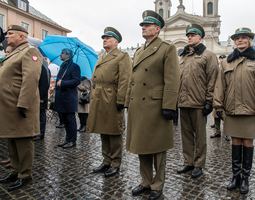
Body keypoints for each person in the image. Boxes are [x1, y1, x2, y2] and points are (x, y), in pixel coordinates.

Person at [125, 10, 180, 200]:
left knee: (158, 148)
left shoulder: (167, 48)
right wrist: (127, 101)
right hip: (138, 106)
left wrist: (169, 105)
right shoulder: (139, 51)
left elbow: (172, 79)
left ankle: (157, 183)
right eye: (142, 25)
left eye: (147, 25)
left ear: (157, 29)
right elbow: (132, 79)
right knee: (141, 146)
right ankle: (145, 181)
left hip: (156, 106)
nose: (143, 27)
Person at [213, 27, 255, 194]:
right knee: (235, 142)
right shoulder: (226, 62)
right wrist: (218, 105)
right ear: (234, 41)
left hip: (250, 110)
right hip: (232, 110)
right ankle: (235, 176)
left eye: (244, 38)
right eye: (237, 38)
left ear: (249, 40)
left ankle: (245, 178)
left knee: (248, 143)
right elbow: (220, 85)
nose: (240, 40)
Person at [0, 25, 43, 191]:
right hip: (9, 105)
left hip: (19, 104)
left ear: (22, 36)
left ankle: (25, 175)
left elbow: (30, 79)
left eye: (10, 34)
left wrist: (23, 104)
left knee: (23, 141)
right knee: (12, 139)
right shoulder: (14, 52)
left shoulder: (30, 52)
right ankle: (15, 171)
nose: (7, 36)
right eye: (7, 33)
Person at [86, 27, 132, 177]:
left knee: (113, 131)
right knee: (102, 130)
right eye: (103, 38)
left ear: (116, 41)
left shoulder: (122, 56)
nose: (104, 40)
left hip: (112, 98)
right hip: (99, 97)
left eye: (108, 38)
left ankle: (115, 162)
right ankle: (106, 160)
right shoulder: (101, 56)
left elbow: (125, 80)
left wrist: (121, 100)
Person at [177, 24, 219, 178]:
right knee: (186, 135)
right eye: (188, 35)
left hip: (199, 103)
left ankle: (199, 164)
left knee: (200, 136)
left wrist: (209, 101)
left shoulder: (209, 55)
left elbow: (212, 79)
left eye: (192, 35)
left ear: (200, 38)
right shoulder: (183, 56)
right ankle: (188, 162)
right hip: (183, 102)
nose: (189, 37)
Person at [54, 48, 81, 149]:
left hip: (69, 98)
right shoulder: (63, 66)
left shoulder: (74, 67)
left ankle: (72, 140)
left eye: (62, 53)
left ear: (68, 55)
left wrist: (63, 83)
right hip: (61, 97)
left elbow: (76, 81)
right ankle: (67, 138)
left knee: (70, 120)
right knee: (65, 120)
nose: (60, 55)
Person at [210, 54, 231, 141]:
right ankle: (217, 131)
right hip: (216, 93)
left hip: (226, 94)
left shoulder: (228, 67)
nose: (221, 60)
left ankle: (227, 133)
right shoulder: (217, 68)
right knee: (215, 114)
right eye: (220, 58)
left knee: (225, 115)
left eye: (223, 58)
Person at [0, 45, 13, 168]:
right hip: (5, 101)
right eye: (6, 52)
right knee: (10, 135)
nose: (5, 54)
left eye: (8, 52)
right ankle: (12, 159)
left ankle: (18, 164)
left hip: (13, 101)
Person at [34, 58, 51, 141]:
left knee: (41, 114)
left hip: (41, 96)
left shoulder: (44, 69)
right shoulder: (43, 68)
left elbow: (45, 84)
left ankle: (41, 133)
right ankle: (38, 132)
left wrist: (41, 97)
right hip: (40, 95)